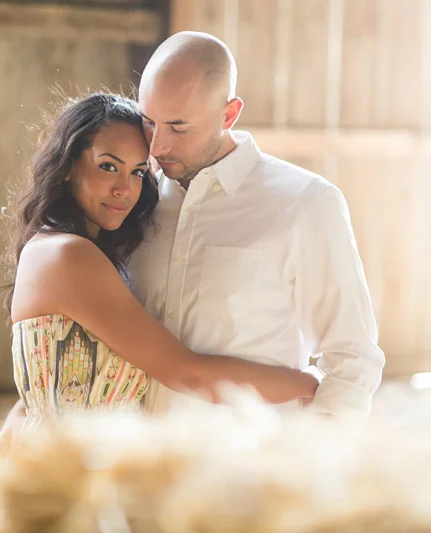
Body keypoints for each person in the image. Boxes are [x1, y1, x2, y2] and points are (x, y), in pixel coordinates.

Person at [0, 91, 319, 530]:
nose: (125, 188)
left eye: (138, 171)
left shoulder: (67, 250)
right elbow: (186, 371)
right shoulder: (68, 257)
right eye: (107, 166)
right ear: (66, 167)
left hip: (62, 479)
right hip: (66, 491)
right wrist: (307, 382)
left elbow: (28, 405)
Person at [127, 31, 385, 418]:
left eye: (178, 127)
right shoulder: (132, 200)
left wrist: (314, 460)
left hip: (247, 469)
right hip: (131, 465)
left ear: (229, 114)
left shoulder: (306, 203)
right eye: (148, 122)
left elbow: (352, 358)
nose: (157, 146)